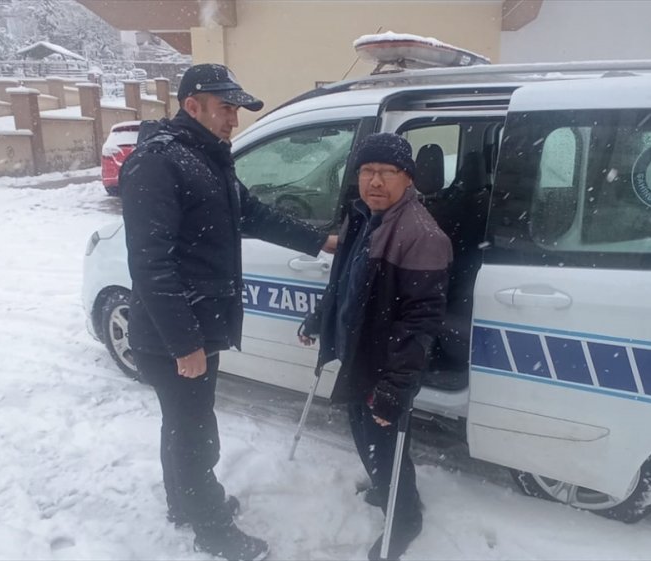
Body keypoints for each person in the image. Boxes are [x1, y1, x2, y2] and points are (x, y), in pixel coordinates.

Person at [119, 63, 337, 561]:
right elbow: (150, 263)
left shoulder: (205, 157)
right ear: (191, 105)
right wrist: (185, 343)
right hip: (173, 333)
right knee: (195, 434)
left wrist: (319, 240)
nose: (234, 119)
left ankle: (184, 503)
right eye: (225, 108)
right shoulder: (159, 162)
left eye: (236, 109)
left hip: (195, 324)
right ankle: (212, 528)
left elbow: (251, 213)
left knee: (182, 424)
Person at [299, 133, 452, 561]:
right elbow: (342, 281)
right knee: (363, 431)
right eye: (367, 171)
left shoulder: (421, 234)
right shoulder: (362, 216)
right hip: (358, 351)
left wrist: (395, 386)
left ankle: (405, 516)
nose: (375, 181)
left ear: (408, 178)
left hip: (384, 362)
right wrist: (319, 318)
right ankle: (387, 488)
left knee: (384, 443)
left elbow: (421, 321)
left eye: (387, 172)